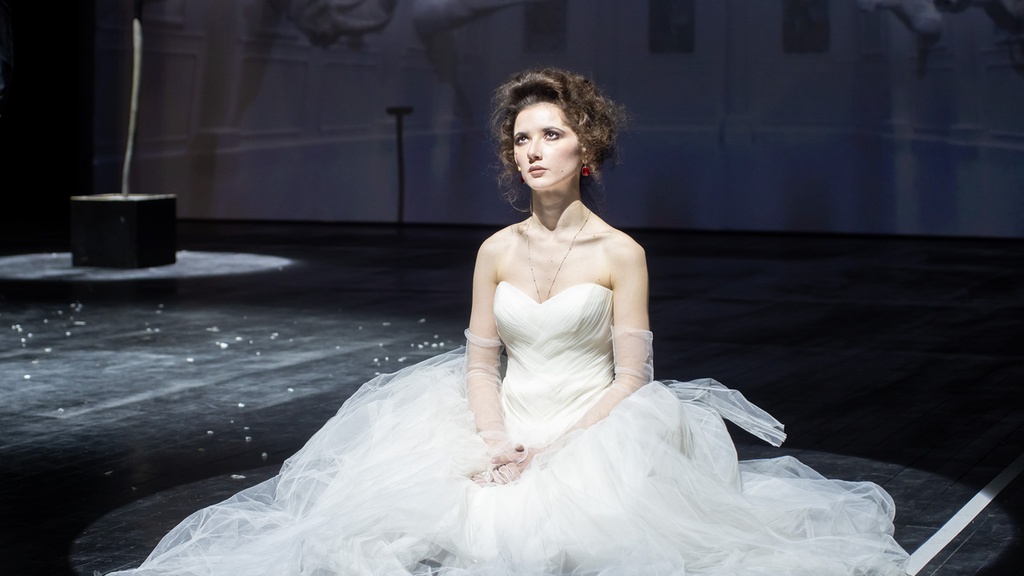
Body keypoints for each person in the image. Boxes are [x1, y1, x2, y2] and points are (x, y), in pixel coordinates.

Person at [109, 68, 910, 576]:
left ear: (585, 147)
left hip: (596, 423)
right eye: (522, 138)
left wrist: (556, 449)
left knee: (584, 538)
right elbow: (479, 364)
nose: (532, 150)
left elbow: (633, 377)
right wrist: (494, 439)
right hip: (504, 417)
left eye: (550, 134)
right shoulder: (494, 249)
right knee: (400, 528)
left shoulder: (620, 252)